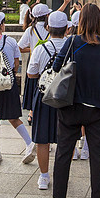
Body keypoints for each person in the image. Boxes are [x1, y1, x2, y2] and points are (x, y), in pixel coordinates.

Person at [49, 3, 100, 198]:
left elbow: (56, 67)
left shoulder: (72, 42)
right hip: (97, 107)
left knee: (64, 151)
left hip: (70, 105)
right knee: (98, 155)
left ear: (80, 22)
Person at [25, 10, 70, 189]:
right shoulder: (72, 47)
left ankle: (44, 176)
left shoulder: (40, 49)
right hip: (66, 96)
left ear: (48, 28)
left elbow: (30, 73)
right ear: (67, 29)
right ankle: (62, 173)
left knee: (42, 138)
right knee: (66, 138)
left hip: (44, 96)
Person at [0, 12, 35, 165]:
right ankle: (29, 143)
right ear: (1, 26)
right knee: (13, 117)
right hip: (8, 83)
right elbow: (15, 64)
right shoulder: (10, 41)